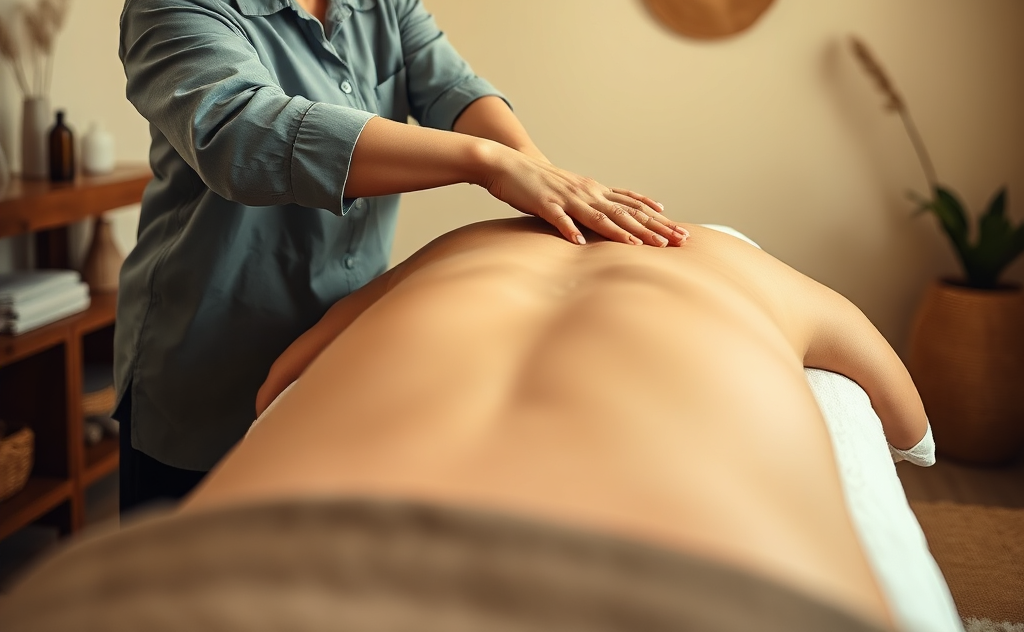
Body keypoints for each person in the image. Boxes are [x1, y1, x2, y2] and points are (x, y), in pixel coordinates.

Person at [114, 0, 687, 514]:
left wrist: (543, 177)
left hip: (340, 366)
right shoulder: (178, 0)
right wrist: (485, 165)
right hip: (207, 376)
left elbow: (458, 92)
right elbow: (241, 137)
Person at [3, 222, 929, 631]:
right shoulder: (738, 263)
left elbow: (285, 376)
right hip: (716, 587)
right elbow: (906, 417)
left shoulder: (462, 245)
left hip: (231, 574)